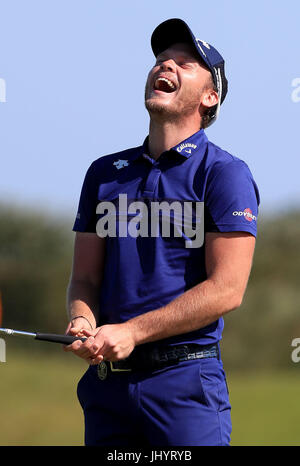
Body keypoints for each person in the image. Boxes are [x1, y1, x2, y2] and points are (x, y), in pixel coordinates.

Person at [64, 18, 260, 446]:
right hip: (107, 388)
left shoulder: (225, 174)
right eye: (159, 60)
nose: (164, 66)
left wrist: (131, 332)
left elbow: (227, 289)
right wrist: (83, 319)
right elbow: (85, 279)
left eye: (183, 63)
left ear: (210, 96)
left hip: (185, 383)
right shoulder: (103, 173)